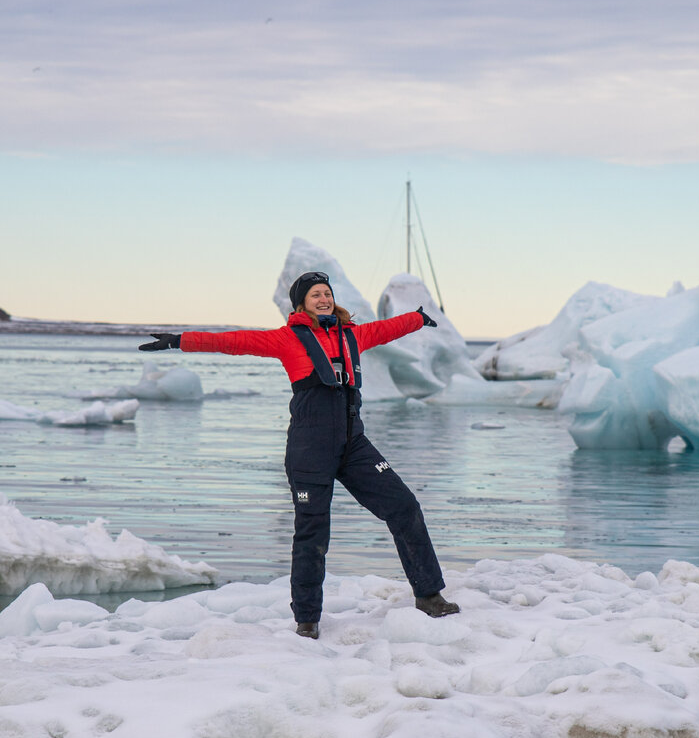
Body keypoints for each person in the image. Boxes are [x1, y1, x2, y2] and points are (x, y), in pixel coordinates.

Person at [139, 271, 459, 639]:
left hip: (354, 444)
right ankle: (307, 620)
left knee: (404, 507)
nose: (323, 299)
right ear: (301, 304)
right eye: (315, 295)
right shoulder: (287, 339)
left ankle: (429, 595)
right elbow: (233, 341)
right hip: (310, 448)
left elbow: (387, 329)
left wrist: (418, 317)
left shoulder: (351, 334)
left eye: (327, 293)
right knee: (312, 532)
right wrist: (179, 341)